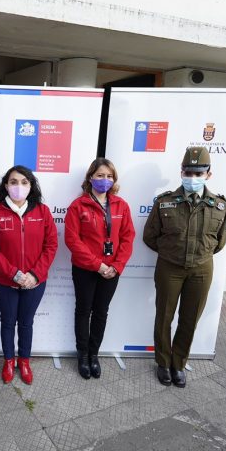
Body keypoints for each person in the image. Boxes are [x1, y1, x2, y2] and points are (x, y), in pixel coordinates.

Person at [143, 146, 226, 389]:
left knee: (190, 319)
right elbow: (150, 236)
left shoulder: (219, 206)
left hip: (201, 269)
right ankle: (163, 362)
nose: (193, 178)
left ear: (208, 175)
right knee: (164, 317)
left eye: (198, 173)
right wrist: (172, 252)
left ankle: (178, 364)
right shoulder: (165, 203)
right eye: (189, 173)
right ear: (181, 172)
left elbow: (219, 242)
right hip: (169, 268)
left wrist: (199, 255)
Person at [0, 166, 58, 384]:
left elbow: (51, 245)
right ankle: (8, 361)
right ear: (6, 185)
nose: (19, 186)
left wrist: (35, 274)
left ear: (31, 186)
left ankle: (24, 361)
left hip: (35, 282)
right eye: (13, 182)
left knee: (26, 323)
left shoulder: (42, 212)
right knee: (7, 322)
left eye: (24, 182)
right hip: (5, 282)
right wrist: (14, 274)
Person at [64, 157, 135, 380]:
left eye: (109, 176)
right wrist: (98, 264)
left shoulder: (121, 205)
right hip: (86, 269)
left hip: (112, 271)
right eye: (100, 175)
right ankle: (82, 355)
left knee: (101, 312)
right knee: (83, 311)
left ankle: (94, 355)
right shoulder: (78, 206)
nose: (105, 180)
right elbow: (72, 240)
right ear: (90, 178)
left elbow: (127, 237)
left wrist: (116, 265)